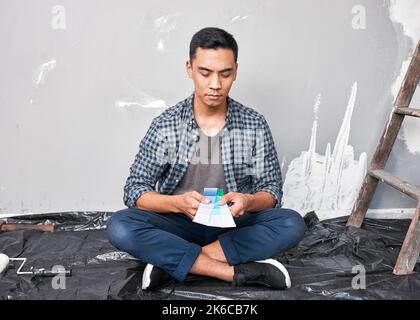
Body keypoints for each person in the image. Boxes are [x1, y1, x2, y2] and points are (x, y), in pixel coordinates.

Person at [107, 27, 306, 291]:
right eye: (205, 72)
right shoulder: (166, 124)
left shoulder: (254, 124)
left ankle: (173, 263)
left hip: (233, 225)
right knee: (120, 226)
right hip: (178, 224)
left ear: (235, 71)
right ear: (189, 69)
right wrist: (176, 203)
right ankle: (234, 272)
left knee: (292, 222)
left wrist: (248, 200)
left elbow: (271, 191)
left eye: (224, 74)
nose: (215, 84)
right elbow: (134, 190)